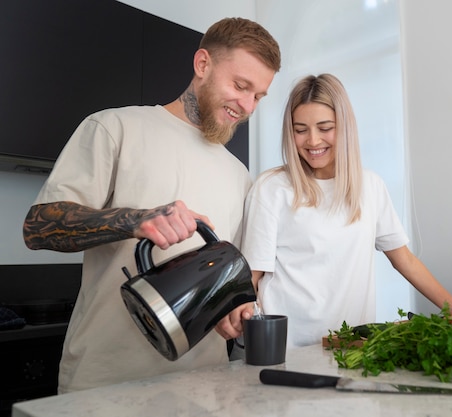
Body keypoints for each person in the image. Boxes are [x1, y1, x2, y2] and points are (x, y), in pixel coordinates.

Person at [22, 17, 281, 393]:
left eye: (258, 96)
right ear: (203, 65)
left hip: (204, 389)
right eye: (241, 86)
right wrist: (136, 221)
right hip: (106, 384)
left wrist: (233, 310)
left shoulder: (239, 174)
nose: (248, 106)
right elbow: (38, 227)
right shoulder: (115, 127)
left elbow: (226, 278)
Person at [219, 74, 452, 348]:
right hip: (287, 350)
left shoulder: (370, 186)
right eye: (300, 129)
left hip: (352, 347)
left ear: (345, 127)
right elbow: (252, 277)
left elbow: (405, 261)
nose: (313, 141)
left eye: (325, 127)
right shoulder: (271, 188)